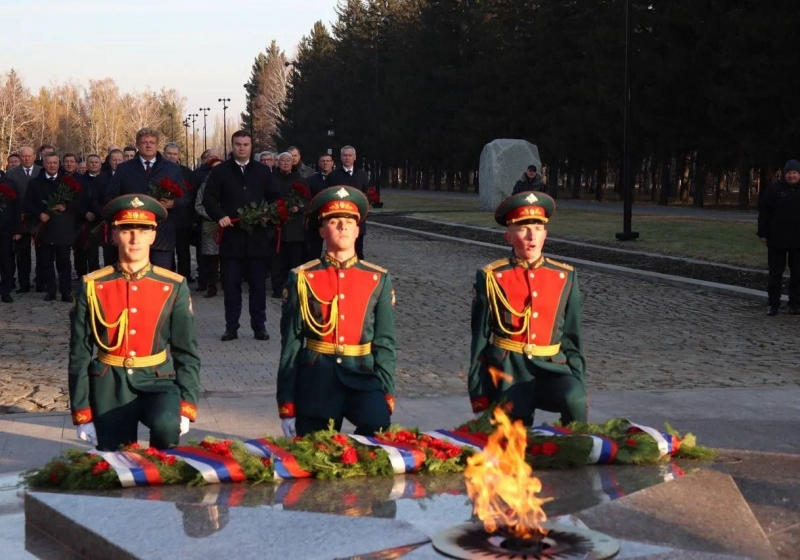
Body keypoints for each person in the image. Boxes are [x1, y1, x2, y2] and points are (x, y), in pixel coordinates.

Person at [68, 193, 201, 451]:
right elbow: (79, 353)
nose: (135, 238)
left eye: (143, 230)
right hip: (109, 384)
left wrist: (187, 405)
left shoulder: (172, 286)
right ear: (114, 235)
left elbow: (186, 351)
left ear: (153, 235)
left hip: (157, 379)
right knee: (116, 459)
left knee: (166, 426)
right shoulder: (92, 286)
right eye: (127, 230)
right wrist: (82, 411)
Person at [277, 186, 396, 437]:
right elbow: (291, 344)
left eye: (349, 222)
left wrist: (387, 392)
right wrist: (286, 404)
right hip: (317, 380)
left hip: (360, 376)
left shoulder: (377, 278)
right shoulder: (302, 278)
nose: (343, 227)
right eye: (334, 221)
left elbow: (384, 342)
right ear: (322, 231)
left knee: (378, 424)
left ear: (357, 230)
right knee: (315, 449)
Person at [468, 191, 587, 426]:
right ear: (509, 237)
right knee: (515, 434)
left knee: (575, 398)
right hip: (508, 372)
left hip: (551, 368)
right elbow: (479, 341)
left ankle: (578, 441)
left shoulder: (565, 277)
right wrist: (478, 391)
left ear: (545, 234)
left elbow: (572, 339)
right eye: (523, 229)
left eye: (538, 228)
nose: (532, 236)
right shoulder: (492, 277)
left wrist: (578, 382)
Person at [202, 130, 278, 341]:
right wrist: (220, 216)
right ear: (232, 145)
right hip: (231, 239)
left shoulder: (263, 171)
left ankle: (259, 326)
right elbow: (209, 198)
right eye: (238, 144)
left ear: (251, 147)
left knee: (258, 287)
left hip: (257, 239)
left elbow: (275, 197)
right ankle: (231, 327)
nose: (242, 148)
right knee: (231, 286)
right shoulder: (220, 171)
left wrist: (268, 214)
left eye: (245, 144)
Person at [105, 128, 188, 271]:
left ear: (157, 144)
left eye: (152, 142)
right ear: (137, 144)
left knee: (161, 277)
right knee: (133, 276)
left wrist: (173, 203)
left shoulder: (172, 168)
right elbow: (111, 197)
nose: (148, 145)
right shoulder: (124, 169)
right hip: (133, 235)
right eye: (144, 142)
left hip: (162, 235)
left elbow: (185, 197)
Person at [25, 153, 81, 302]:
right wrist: (39, 214)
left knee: (64, 262)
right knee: (46, 262)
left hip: (63, 228)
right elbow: (28, 204)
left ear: (58, 164)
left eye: (54, 163)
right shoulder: (35, 183)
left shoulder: (67, 182)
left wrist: (66, 206)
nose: (52, 165)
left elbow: (79, 202)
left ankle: (65, 292)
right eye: (49, 163)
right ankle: (50, 291)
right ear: (44, 164)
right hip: (44, 228)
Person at [758, 159, 800, 316]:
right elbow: (764, 212)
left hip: (798, 240)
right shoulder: (774, 189)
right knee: (775, 274)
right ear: (784, 174)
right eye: (789, 172)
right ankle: (773, 304)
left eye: (795, 173)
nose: (792, 176)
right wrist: (762, 232)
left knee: (798, 274)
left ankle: (795, 304)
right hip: (777, 238)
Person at [271, 152, 309, 298]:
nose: (286, 163)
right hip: (276, 226)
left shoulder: (300, 180)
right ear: (278, 162)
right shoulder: (271, 179)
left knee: (294, 260)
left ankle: (293, 288)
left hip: (294, 227)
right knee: (276, 260)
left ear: (293, 163)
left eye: (289, 160)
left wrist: (299, 207)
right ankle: (277, 288)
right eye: (283, 160)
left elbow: (307, 200)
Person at [4, 147, 41, 293]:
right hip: (20, 219)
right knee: (22, 254)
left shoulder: (41, 171)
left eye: (29, 156)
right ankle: (23, 283)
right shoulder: (11, 174)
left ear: (34, 156)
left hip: (39, 218)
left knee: (42, 253)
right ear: (20, 157)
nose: (26, 158)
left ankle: (41, 282)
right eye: (24, 156)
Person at [328, 146, 369, 259]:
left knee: (358, 250)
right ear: (341, 157)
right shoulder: (333, 175)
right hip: (339, 218)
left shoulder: (362, 174)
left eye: (350, 155)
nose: (347, 158)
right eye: (345, 155)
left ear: (354, 157)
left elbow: (366, 194)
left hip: (357, 218)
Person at [164, 142, 196, 281]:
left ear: (178, 156)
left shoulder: (187, 172)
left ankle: (185, 276)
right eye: (169, 154)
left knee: (183, 250)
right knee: (167, 250)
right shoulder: (159, 170)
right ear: (164, 154)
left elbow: (191, 195)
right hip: (164, 218)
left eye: (175, 154)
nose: (172, 156)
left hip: (183, 218)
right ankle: (169, 276)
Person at [193, 156, 223, 297]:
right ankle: (211, 286)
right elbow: (198, 205)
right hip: (210, 225)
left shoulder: (229, 183)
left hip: (228, 225)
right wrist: (213, 216)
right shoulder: (204, 186)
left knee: (227, 257)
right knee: (210, 258)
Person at [307, 153, 335, 259]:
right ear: (319, 163)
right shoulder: (311, 180)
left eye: (328, 161)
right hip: (316, 219)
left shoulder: (339, 178)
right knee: (314, 250)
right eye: (323, 161)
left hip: (334, 218)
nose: (325, 163)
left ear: (332, 163)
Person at [0, 174, 21, 303]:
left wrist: (17, 230)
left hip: (5, 230)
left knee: (6, 261)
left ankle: (5, 291)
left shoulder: (9, 183)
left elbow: (16, 208)